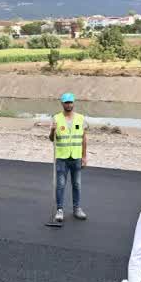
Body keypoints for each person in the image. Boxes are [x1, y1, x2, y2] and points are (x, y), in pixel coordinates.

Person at [47, 92, 88, 222]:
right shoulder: (56, 118)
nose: (69, 104)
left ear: (73, 103)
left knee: (77, 184)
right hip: (62, 158)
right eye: (66, 102)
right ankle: (59, 210)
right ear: (62, 103)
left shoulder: (81, 118)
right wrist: (53, 130)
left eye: (70, 102)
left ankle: (77, 209)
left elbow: (84, 138)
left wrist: (84, 156)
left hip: (76, 157)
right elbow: (51, 139)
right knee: (60, 184)